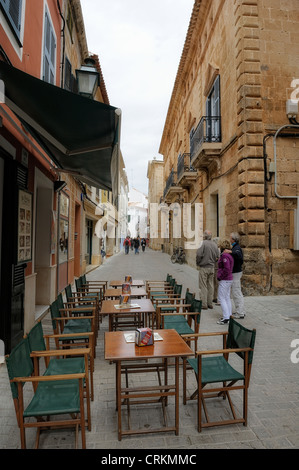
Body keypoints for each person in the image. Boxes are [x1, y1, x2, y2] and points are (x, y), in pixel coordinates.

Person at [196, 230, 219, 310]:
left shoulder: (202, 243)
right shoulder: (214, 244)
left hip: (204, 267)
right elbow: (217, 256)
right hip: (212, 267)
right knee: (210, 285)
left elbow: (198, 254)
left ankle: (204, 304)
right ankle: (210, 303)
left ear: (204, 236)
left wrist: (198, 262)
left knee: (203, 285)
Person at [216, 239, 234, 325]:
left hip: (225, 279)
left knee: (221, 298)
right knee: (227, 298)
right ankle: (229, 315)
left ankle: (226, 317)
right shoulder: (229, 255)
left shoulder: (225, 256)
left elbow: (226, 268)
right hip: (229, 279)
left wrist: (220, 276)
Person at [229, 232, 245, 319]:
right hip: (236, 272)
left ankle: (240, 312)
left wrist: (230, 251)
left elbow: (238, 255)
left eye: (230, 238)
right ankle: (241, 310)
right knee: (237, 292)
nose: (229, 240)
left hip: (236, 273)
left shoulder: (237, 248)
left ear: (233, 239)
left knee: (236, 292)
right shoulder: (235, 247)